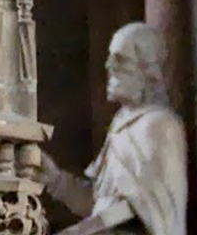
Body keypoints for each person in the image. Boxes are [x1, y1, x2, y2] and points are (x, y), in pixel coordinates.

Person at [43, 23, 187, 235]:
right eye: (110, 57)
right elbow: (98, 203)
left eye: (120, 59)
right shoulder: (121, 124)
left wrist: (80, 231)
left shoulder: (158, 126)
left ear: (147, 69)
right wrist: (54, 179)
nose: (109, 65)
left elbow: (144, 209)